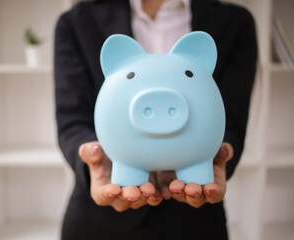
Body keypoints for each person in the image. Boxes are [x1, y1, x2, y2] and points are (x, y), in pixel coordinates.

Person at [54, 0, 257, 239]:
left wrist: (216, 161)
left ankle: (196, 170)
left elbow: (230, 119)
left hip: (194, 224)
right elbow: (72, 119)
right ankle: (128, 171)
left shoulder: (235, 22)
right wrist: (97, 164)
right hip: (98, 223)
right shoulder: (76, 20)